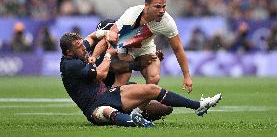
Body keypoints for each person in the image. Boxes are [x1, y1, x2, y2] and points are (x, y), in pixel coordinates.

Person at [60, 31, 222, 127]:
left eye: (82, 44)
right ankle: (134, 120)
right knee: (109, 112)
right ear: (69, 52)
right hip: (94, 107)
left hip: (109, 94)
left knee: (153, 90)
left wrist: (104, 33)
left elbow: (92, 37)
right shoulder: (70, 65)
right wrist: (109, 54)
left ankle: (199, 106)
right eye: (79, 47)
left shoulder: (79, 51)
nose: (83, 48)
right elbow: (102, 74)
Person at [109, 0, 193, 92]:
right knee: (123, 78)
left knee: (154, 78)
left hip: (146, 48)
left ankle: (138, 109)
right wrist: (106, 55)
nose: (162, 11)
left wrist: (187, 76)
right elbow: (112, 34)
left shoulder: (167, 22)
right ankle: (110, 104)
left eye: (164, 7)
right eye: (157, 7)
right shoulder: (131, 14)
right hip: (126, 48)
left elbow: (178, 49)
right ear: (146, 5)